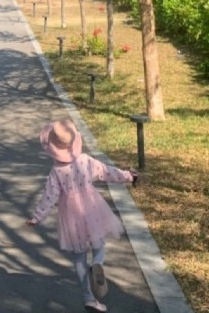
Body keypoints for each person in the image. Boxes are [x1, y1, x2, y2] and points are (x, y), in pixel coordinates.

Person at [25, 119, 137, 313]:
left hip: (71, 217)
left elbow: (49, 197)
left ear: (53, 147)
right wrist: (128, 175)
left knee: (78, 258)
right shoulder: (85, 160)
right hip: (92, 208)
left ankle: (88, 298)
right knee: (99, 243)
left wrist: (37, 217)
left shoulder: (56, 171)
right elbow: (107, 172)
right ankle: (97, 264)